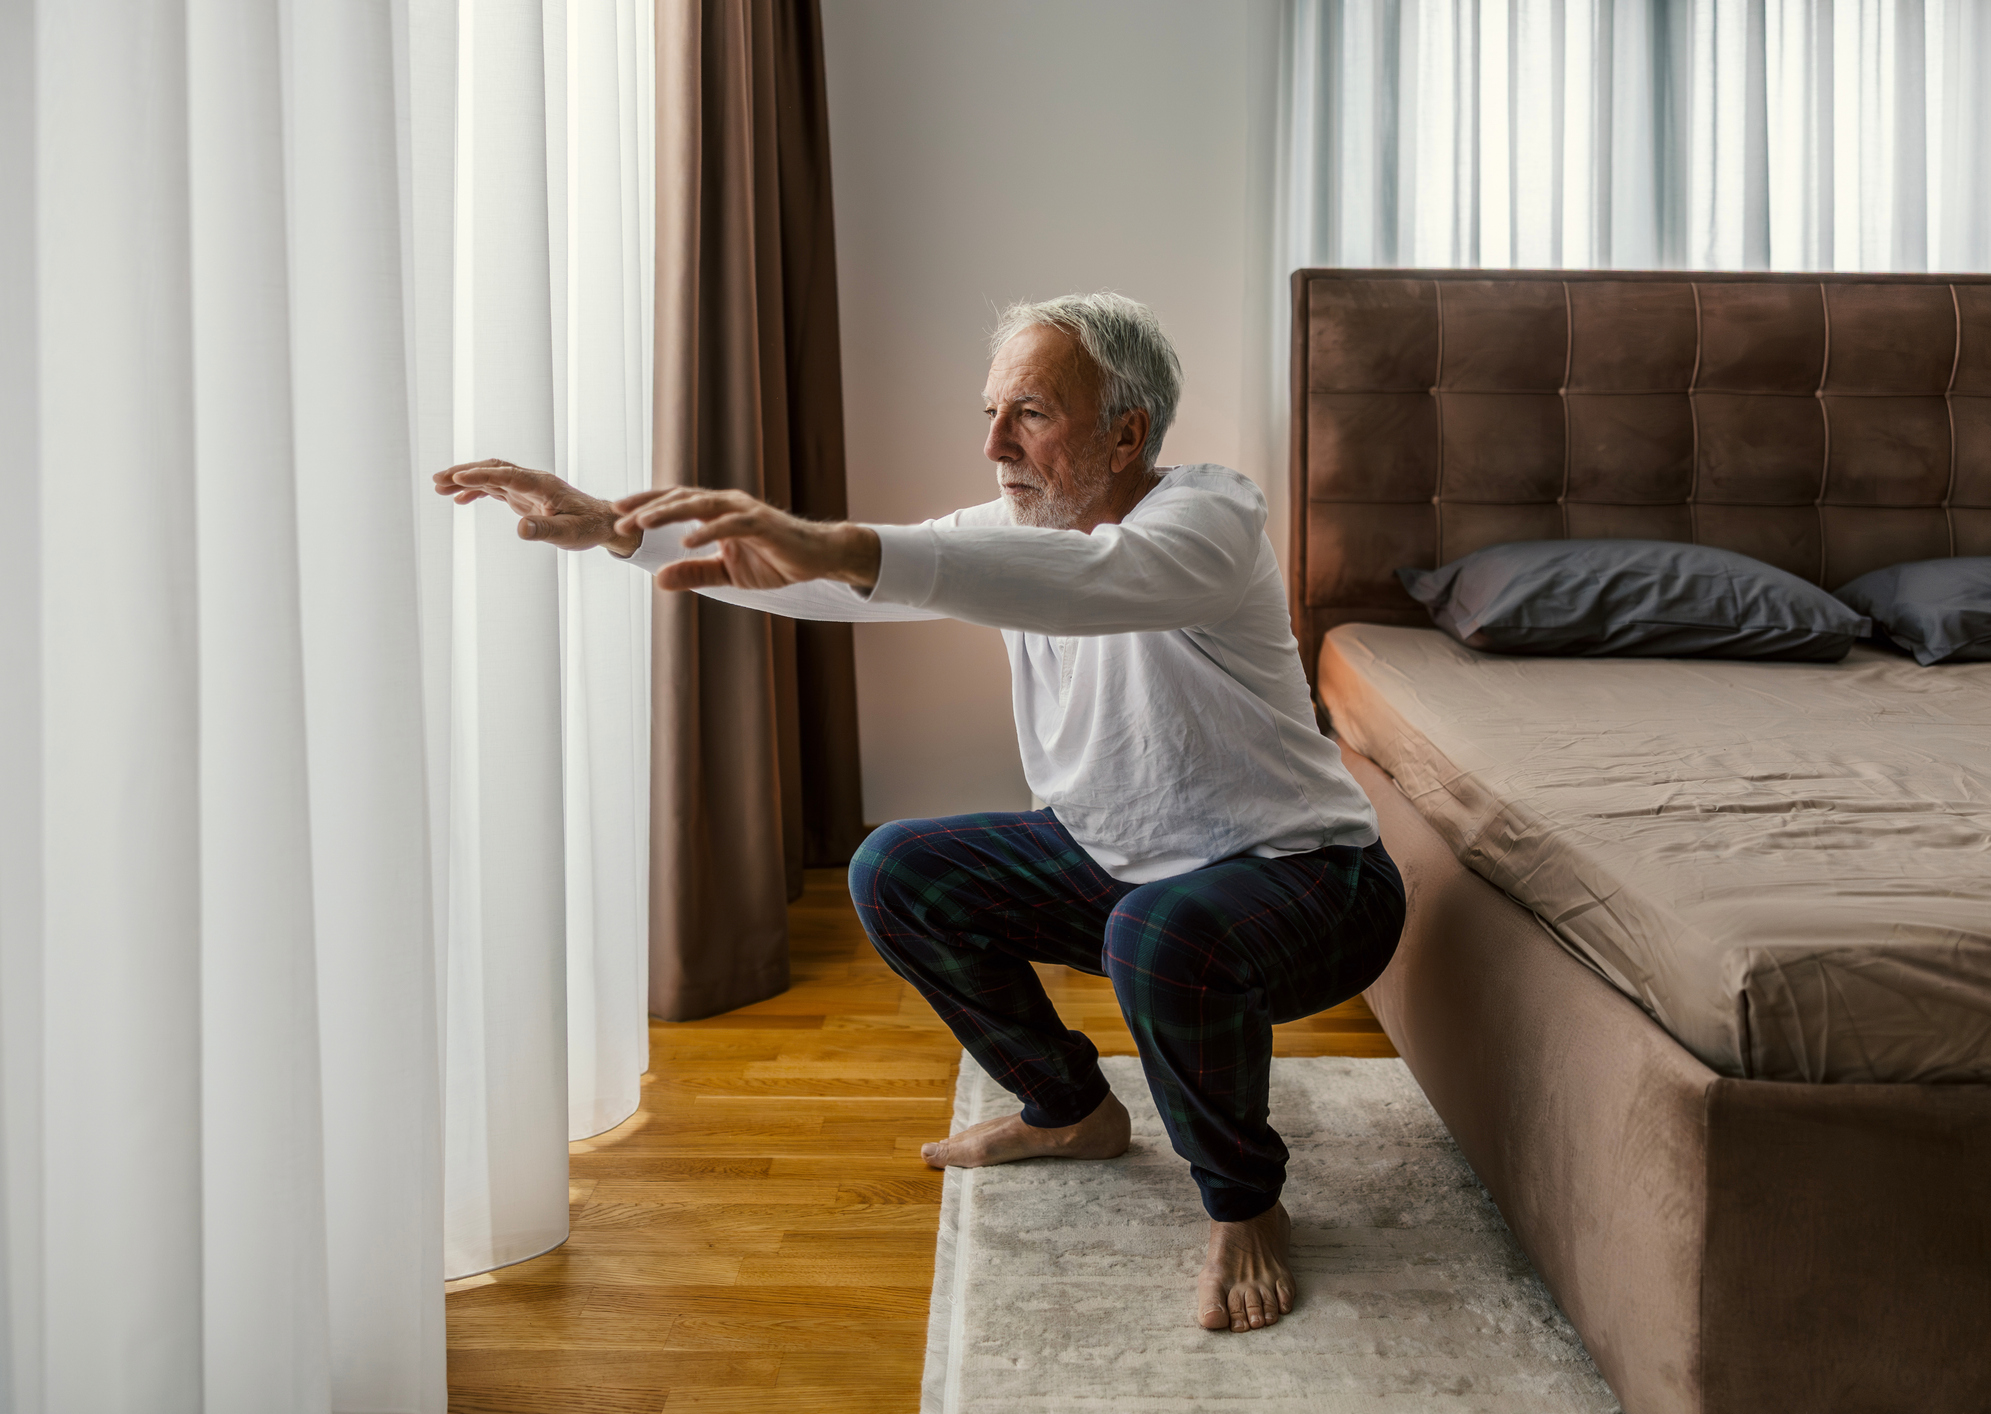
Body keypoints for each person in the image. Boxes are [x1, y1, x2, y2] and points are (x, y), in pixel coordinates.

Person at [434, 292, 1406, 1334]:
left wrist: (840, 544)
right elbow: (849, 579)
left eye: (1030, 413)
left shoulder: (1209, 520)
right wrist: (620, 533)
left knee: (1158, 930)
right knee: (895, 867)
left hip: (1310, 882)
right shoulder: (1014, 531)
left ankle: (1245, 1197)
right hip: (1124, 864)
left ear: (1128, 432)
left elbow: (1099, 578)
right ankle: (1072, 1110)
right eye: (991, 413)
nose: (994, 445)